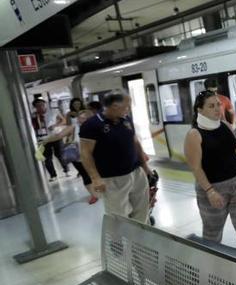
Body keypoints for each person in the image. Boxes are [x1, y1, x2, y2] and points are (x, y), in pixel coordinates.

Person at [185, 90, 236, 255]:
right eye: (211, 106)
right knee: (212, 234)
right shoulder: (194, 135)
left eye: (218, 105)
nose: (217, 109)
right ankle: (210, 269)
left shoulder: (226, 126)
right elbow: (196, 167)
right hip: (213, 188)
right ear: (199, 110)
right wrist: (209, 191)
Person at [79, 91, 153, 223]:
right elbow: (85, 154)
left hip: (136, 173)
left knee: (142, 209)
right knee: (118, 216)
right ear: (114, 106)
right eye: (127, 106)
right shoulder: (91, 125)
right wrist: (95, 178)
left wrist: (145, 167)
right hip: (112, 178)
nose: (129, 109)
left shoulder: (126, 119)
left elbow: (135, 142)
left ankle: (140, 238)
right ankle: (122, 242)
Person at [40, 109, 98, 204]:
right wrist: (45, 140)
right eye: (79, 117)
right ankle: (93, 194)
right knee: (85, 175)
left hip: (93, 156)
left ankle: (100, 190)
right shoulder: (73, 127)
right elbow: (58, 136)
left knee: (96, 174)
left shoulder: (95, 127)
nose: (80, 119)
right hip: (78, 156)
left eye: (84, 118)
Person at [31, 97, 68, 180]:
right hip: (43, 138)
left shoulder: (53, 111)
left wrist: (55, 125)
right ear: (35, 107)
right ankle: (53, 175)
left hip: (55, 136)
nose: (40, 107)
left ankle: (66, 170)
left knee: (59, 154)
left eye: (41, 105)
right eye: (37, 106)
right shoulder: (33, 115)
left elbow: (64, 120)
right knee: (47, 158)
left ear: (44, 105)